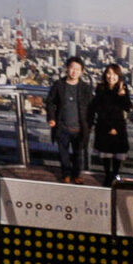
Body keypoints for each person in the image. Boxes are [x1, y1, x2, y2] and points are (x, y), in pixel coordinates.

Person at [45, 56, 93, 184]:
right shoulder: (59, 85)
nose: (74, 71)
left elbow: (91, 107)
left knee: (78, 154)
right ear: (67, 68)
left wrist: (89, 124)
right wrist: (51, 118)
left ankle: (76, 175)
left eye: (77, 69)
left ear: (82, 72)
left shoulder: (85, 88)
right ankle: (66, 174)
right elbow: (50, 102)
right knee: (63, 154)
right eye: (72, 68)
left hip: (79, 128)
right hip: (62, 126)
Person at [89, 63, 132, 187]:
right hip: (104, 125)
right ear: (105, 75)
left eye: (114, 74)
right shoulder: (101, 88)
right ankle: (108, 175)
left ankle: (115, 175)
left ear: (119, 76)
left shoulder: (122, 88)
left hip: (119, 126)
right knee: (106, 154)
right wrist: (109, 127)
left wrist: (122, 95)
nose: (111, 76)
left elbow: (128, 107)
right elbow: (99, 108)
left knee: (117, 154)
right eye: (109, 73)